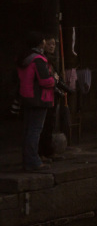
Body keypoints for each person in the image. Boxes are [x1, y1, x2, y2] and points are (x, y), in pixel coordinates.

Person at [17, 31, 56, 172]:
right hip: (39, 98)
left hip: (26, 97)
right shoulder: (38, 59)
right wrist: (54, 80)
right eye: (44, 41)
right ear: (40, 43)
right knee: (35, 130)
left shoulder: (24, 58)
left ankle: (27, 160)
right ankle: (33, 161)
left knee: (28, 130)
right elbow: (45, 81)